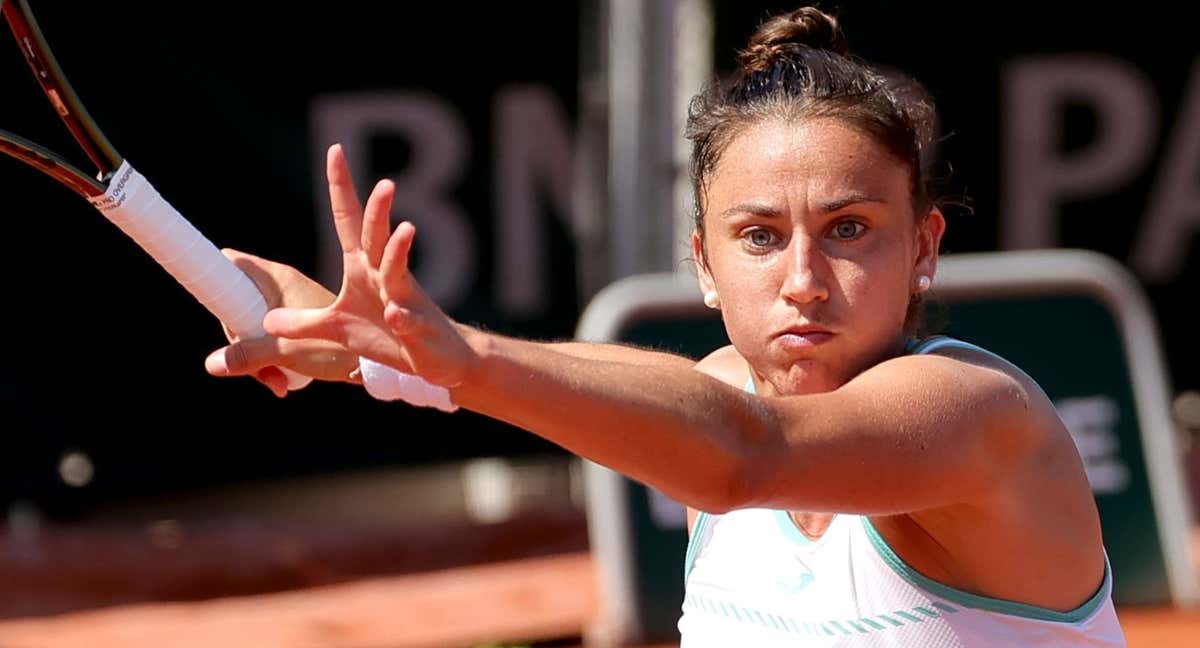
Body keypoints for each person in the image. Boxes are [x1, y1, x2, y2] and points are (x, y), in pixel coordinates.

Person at [204, 7, 1126, 646]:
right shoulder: (720, 390)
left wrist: (462, 358)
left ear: (924, 246)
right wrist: (386, 358)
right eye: (759, 237)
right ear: (703, 262)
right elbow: (699, 411)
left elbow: (746, 454)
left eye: (850, 231)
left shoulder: (977, 411)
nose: (803, 282)